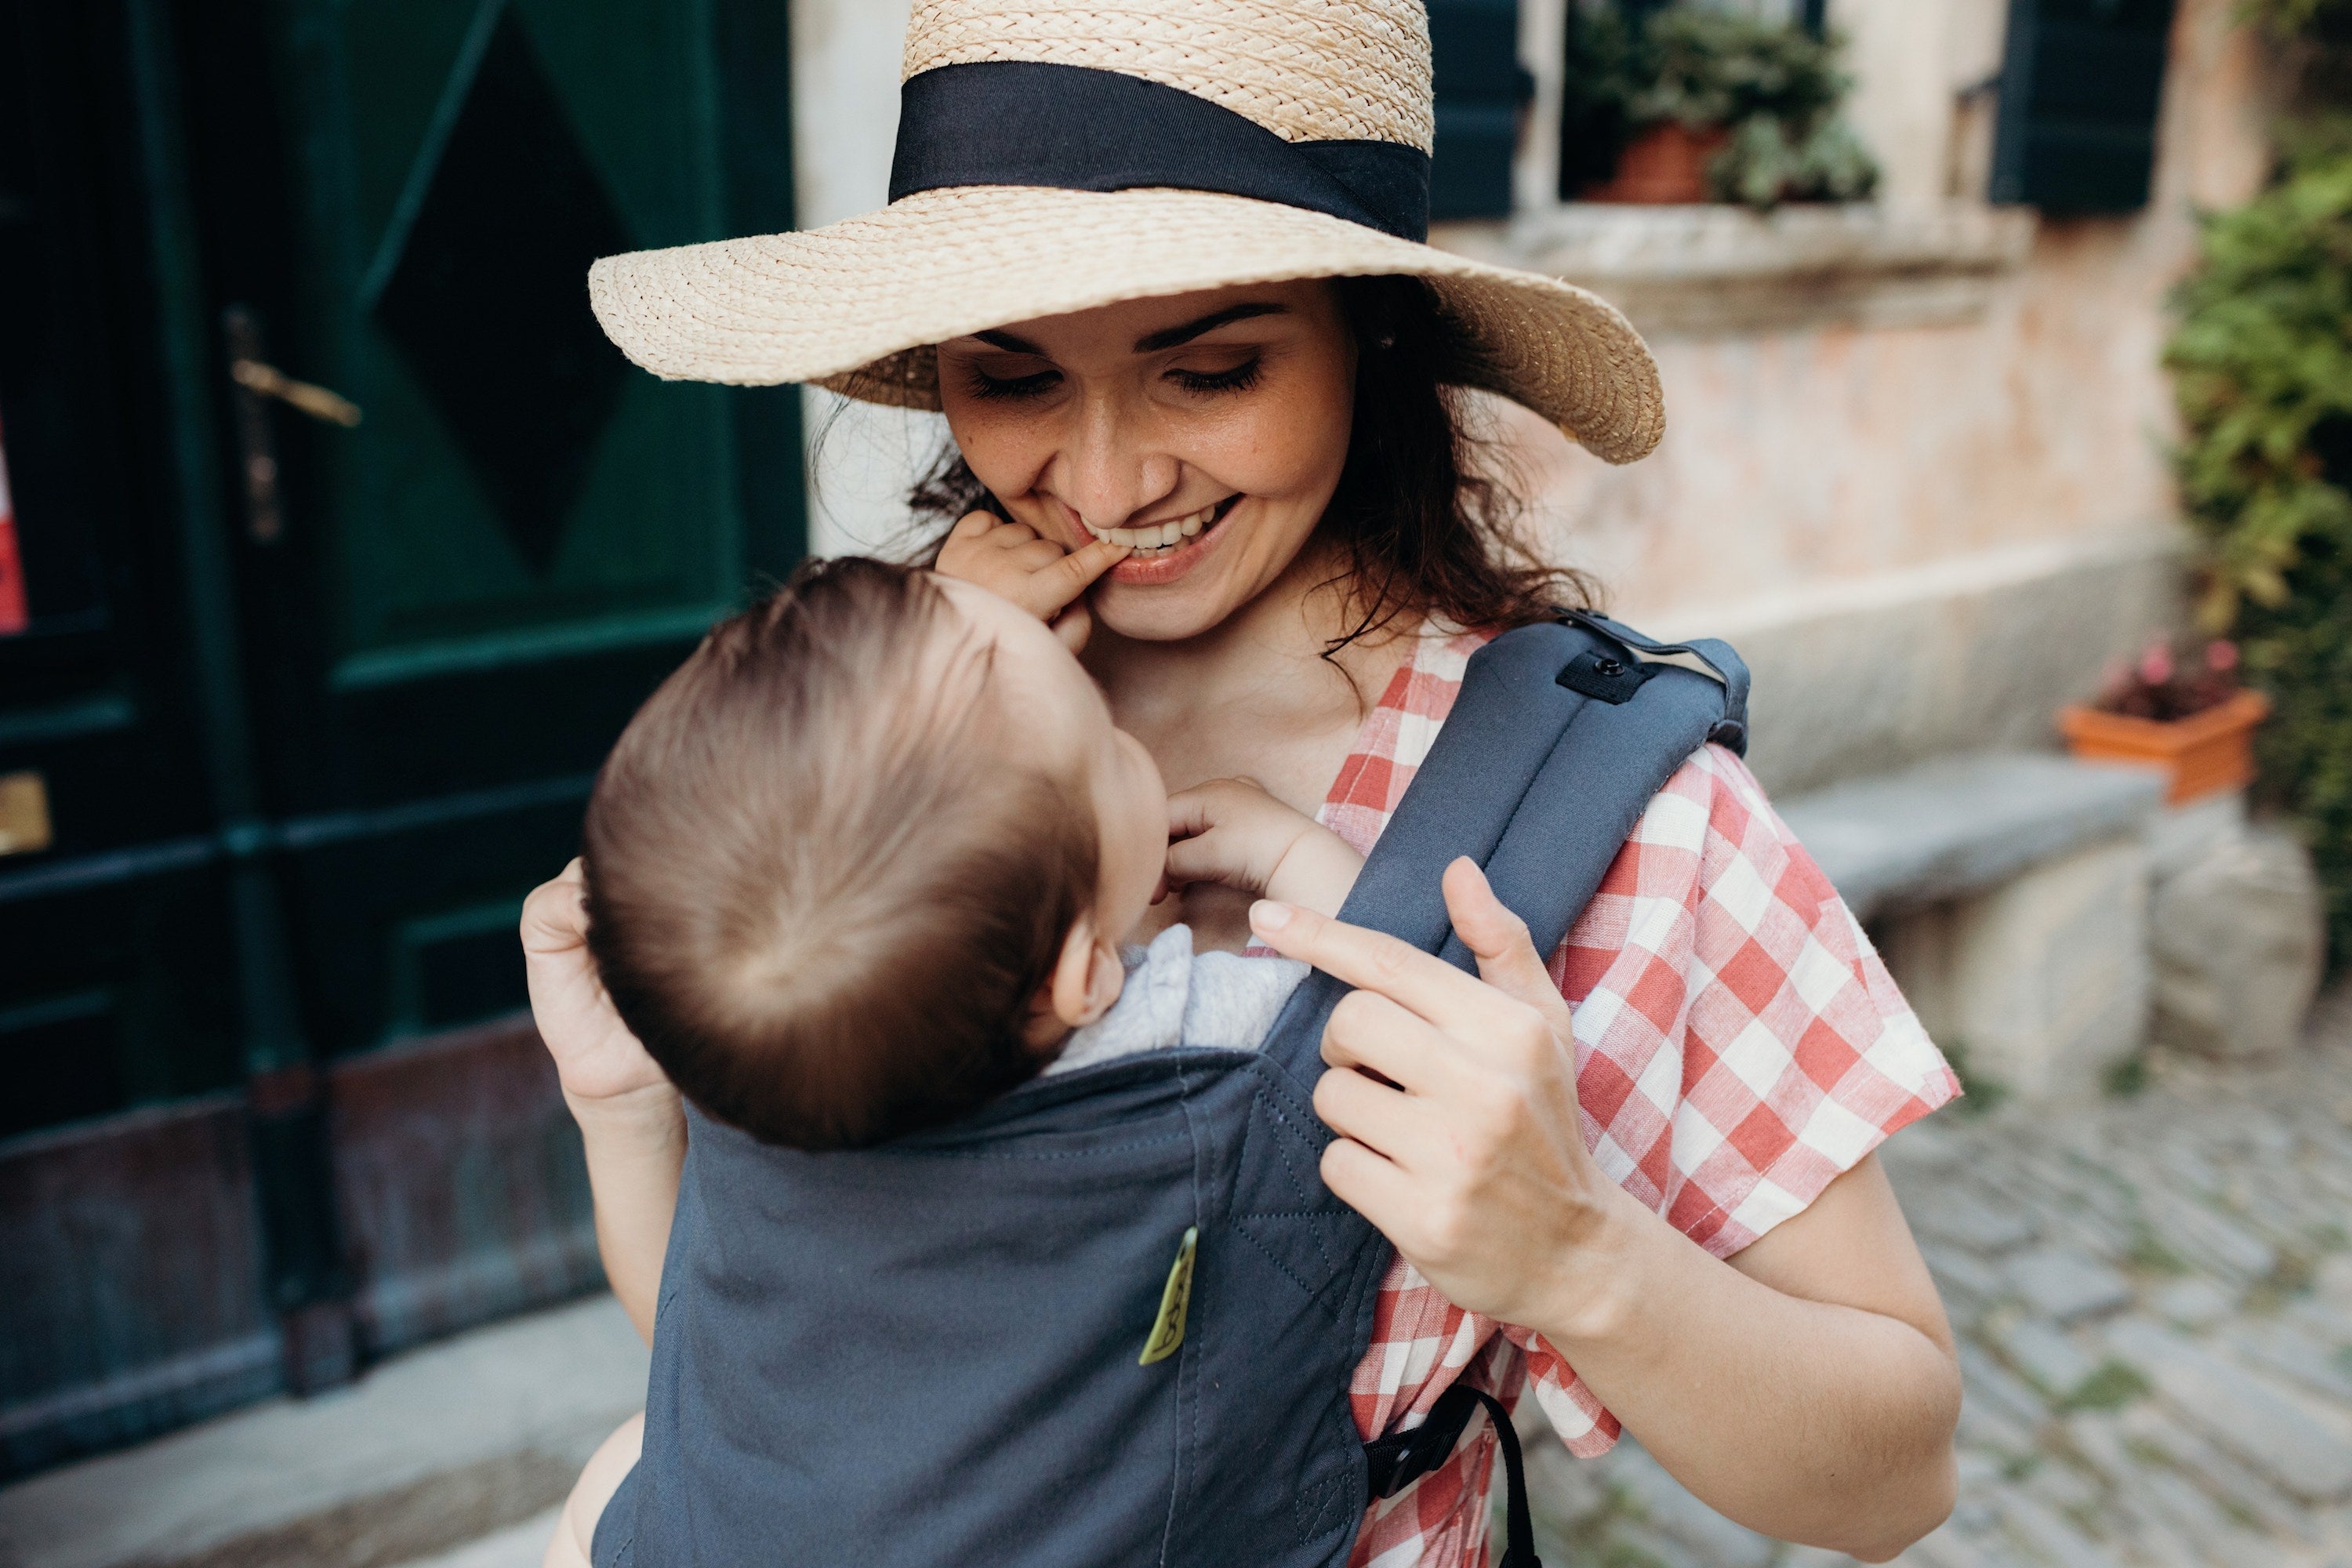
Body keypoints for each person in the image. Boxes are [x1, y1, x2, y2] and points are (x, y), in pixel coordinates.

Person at [546, 2, 1965, 1563]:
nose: (1105, 480)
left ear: (1372, 325)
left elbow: (1896, 1476)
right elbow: (802, 1374)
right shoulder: (863, 736)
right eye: (1011, 379)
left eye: (1207, 370)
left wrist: (1579, 1258)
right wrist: (626, 1113)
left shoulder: (1607, 818)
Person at [535, 554, 1367, 1563]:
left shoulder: (781, 1078)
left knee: (613, 1484)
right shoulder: (1187, 1036)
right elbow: (1382, 981)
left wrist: (616, 1094)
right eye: (1109, 742)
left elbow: (695, 1352)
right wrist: (1292, 858)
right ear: (1083, 979)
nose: (1125, 731)